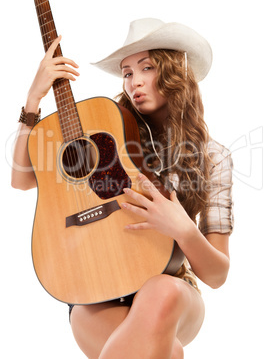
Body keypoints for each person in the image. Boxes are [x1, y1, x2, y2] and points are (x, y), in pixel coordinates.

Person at [11, 18, 233, 358]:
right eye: (127, 72)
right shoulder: (105, 131)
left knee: (161, 293)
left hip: (174, 287)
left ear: (175, 72)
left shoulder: (213, 158)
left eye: (147, 67)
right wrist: (33, 98)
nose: (134, 82)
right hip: (94, 294)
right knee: (166, 353)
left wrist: (184, 231)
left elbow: (217, 275)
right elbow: (22, 178)